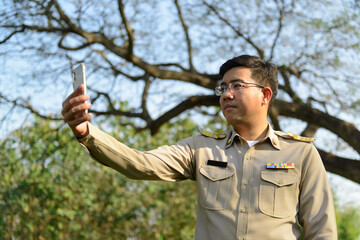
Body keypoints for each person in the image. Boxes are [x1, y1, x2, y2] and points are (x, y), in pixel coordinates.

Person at [61, 55, 337, 240]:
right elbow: (140, 164)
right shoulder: (201, 148)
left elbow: (322, 230)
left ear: (265, 95)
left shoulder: (300, 153)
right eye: (223, 88)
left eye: (237, 85)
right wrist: (86, 132)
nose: (226, 93)